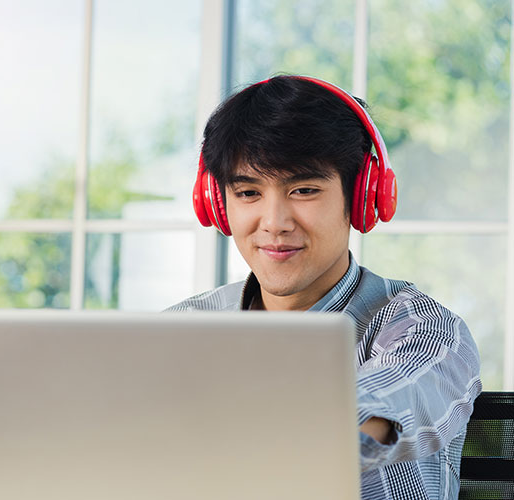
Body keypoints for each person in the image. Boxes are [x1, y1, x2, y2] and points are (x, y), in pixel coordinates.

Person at [167, 75, 482, 500]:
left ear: (362, 197)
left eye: (304, 189)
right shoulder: (180, 329)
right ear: (218, 203)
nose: (274, 222)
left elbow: (376, 411)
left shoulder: (425, 331)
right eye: (247, 192)